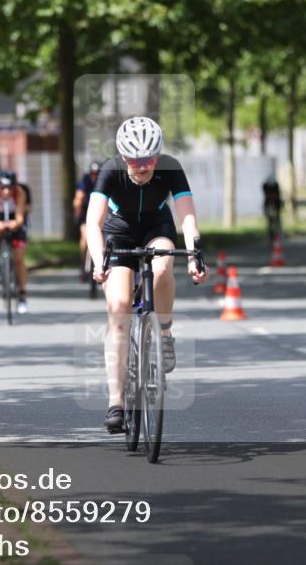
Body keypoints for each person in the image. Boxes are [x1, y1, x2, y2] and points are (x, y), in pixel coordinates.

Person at [85, 116, 206, 432]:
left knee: (163, 263)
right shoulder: (111, 170)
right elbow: (93, 224)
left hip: (157, 226)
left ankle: (164, 334)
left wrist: (194, 254)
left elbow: (188, 218)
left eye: (149, 159)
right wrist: (99, 261)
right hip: (119, 232)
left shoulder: (171, 167)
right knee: (119, 307)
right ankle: (116, 402)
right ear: (123, 157)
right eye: (135, 160)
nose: (142, 166)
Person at [0, 170, 29, 315]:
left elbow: (21, 217)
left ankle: (22, 294)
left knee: (19, 259)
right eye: (3, 187)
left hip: (15, 221)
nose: (6, 191)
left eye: (10, 187)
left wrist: (16, 223)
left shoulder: (20, 193)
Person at [73, 161, 102, 280]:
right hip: (86, 213)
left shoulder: (105, 180)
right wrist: (77, 214)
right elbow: (78, 198)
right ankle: (84, 263)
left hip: (101, 212)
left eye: (97, 174)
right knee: (85, 239)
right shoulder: (85, 180)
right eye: (92, 173)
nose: (94, 176)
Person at [261, 176, 283, 244]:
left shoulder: (276, 186)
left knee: (277, 220)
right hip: (268, 205)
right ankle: (270, 235)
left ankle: (278, 235)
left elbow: (277, 196)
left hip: (276, 205)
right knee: (269, 222)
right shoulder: (265, 186)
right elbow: (266, 196)